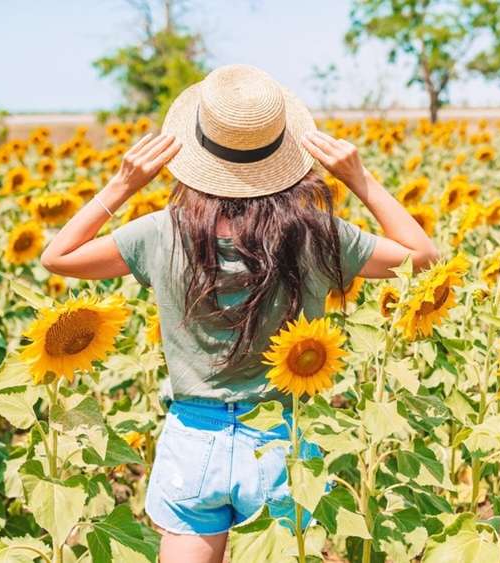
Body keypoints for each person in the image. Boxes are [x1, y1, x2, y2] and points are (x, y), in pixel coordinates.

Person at [40, 64, 438, 563]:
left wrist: (123, 184)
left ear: (195, 153)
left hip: (192, 439)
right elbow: (421, 257)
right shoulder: (316, 234)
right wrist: (359, 178)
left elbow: (57, 257)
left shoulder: (162, 232)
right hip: (281, 440)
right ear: (285, 153)